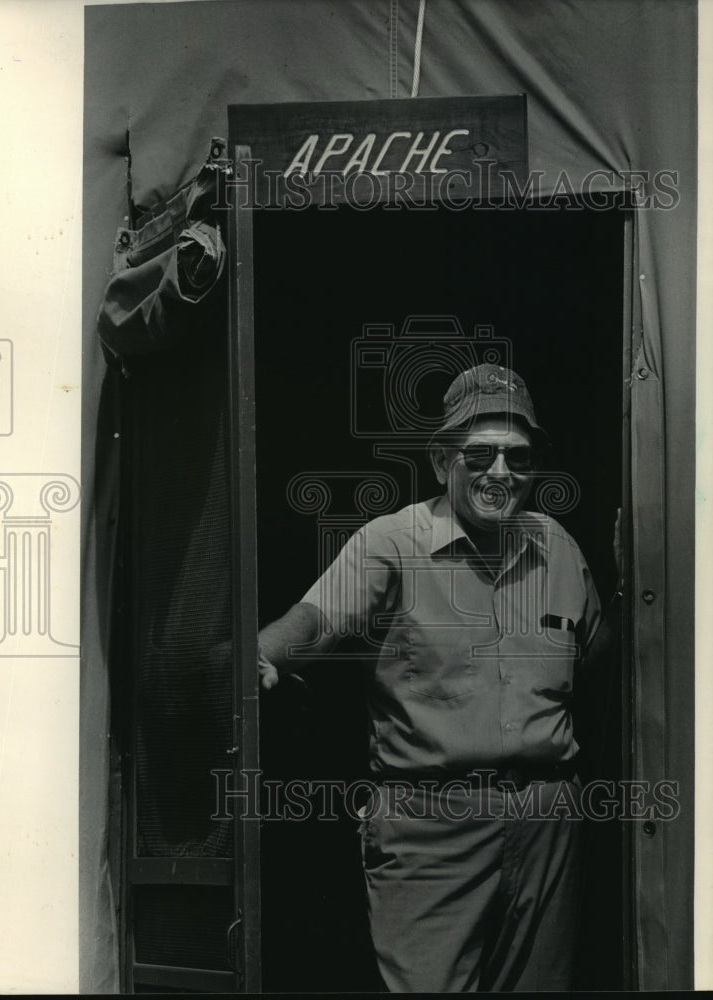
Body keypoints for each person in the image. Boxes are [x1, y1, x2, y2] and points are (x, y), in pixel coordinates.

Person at [258, 363, 608, 992]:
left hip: (548, 821)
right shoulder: (391, 543)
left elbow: (608, 662)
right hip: (429, 824)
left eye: (518, 458)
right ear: (443, 461)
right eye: (481, 455)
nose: (501, 473)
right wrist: (267, 653)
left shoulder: (559, 548)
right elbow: (317, 619)